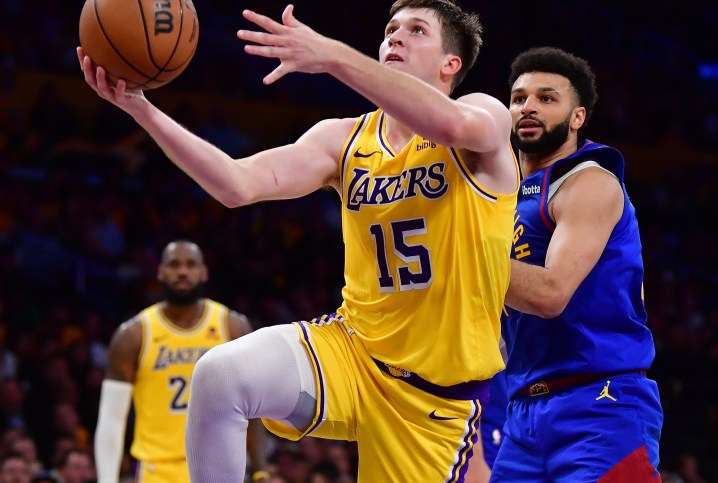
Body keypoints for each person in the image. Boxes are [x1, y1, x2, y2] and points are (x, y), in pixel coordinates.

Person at [77, 0, 519, 481]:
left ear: (449, 64)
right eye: (391, 27)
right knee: (220, 375)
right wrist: (141, 109)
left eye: (416, 31)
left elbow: (450, 126)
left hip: (432, 399)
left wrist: (331, 55)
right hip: (352, 352)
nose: (395, 36)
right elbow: (236, 184)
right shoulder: (342, 139)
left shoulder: (484, 116)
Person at [491, 47, 663, 482]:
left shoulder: (589, 181)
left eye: (547, 98)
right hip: (522, 412)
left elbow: (550, 294)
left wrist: (456, 253)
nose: (528, 106)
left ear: (578, 117)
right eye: (518, 98)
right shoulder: (502, 194)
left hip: (600, 403)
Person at [92, 240, 270, 483]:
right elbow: (112, 419)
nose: (183, 271)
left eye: (191, 264)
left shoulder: (232, 327)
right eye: (174, 265)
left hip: (220, 468)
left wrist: (261, 470)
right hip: (158, 470)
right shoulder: (133, 335)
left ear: (204, 272)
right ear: (160, 272)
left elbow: (254, 410)